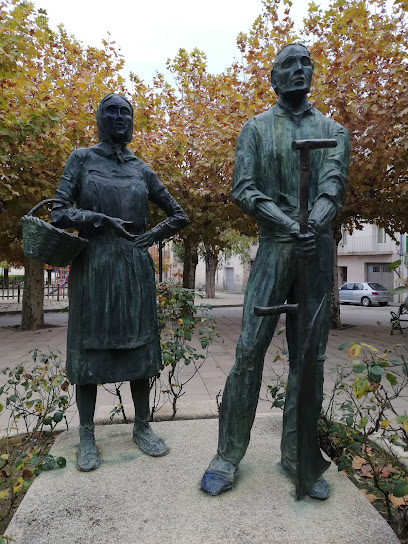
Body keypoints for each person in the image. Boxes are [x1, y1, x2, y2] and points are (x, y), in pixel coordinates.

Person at [201, 44, 350, 499]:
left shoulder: (333, 131)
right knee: (249, 349)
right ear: (273, 77)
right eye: (289, 63)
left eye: (306, 63)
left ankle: (298, 455)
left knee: (311, 358)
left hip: (316, 250)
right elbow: (244, 189)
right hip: (274, 247)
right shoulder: (257, 130)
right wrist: (290, 224)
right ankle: (227, 454)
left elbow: (333, 186)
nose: (300, 69)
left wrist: (315, 224)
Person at [51, 93, 189, 471]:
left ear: (132, 121)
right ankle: (87, 435)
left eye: (124, 111)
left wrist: (150, 237)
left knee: (139, 349)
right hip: (93, 265)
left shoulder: (142, 170)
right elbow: (58, 212)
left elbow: (179, 214)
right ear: (99, 118)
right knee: (89, 351)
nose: (117, 117)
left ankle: (142, 427)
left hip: (132, 267)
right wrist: (98, 219)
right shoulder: (81, 159)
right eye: (110, 110)